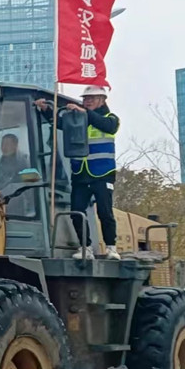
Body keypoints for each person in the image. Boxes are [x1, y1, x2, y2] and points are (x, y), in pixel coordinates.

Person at [34, 86, 121, 259]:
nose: (87, 101)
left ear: (102, 100)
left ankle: (111, 247)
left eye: (91, 98)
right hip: (80, 173)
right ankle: (85, 247)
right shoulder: (77, 118)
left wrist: (84, 113)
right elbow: (60, 124)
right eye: (85, 99)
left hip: (102, 173)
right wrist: (46, 110)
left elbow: (107, 126)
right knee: (76, 211)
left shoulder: (110, 119)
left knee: (105, 212)